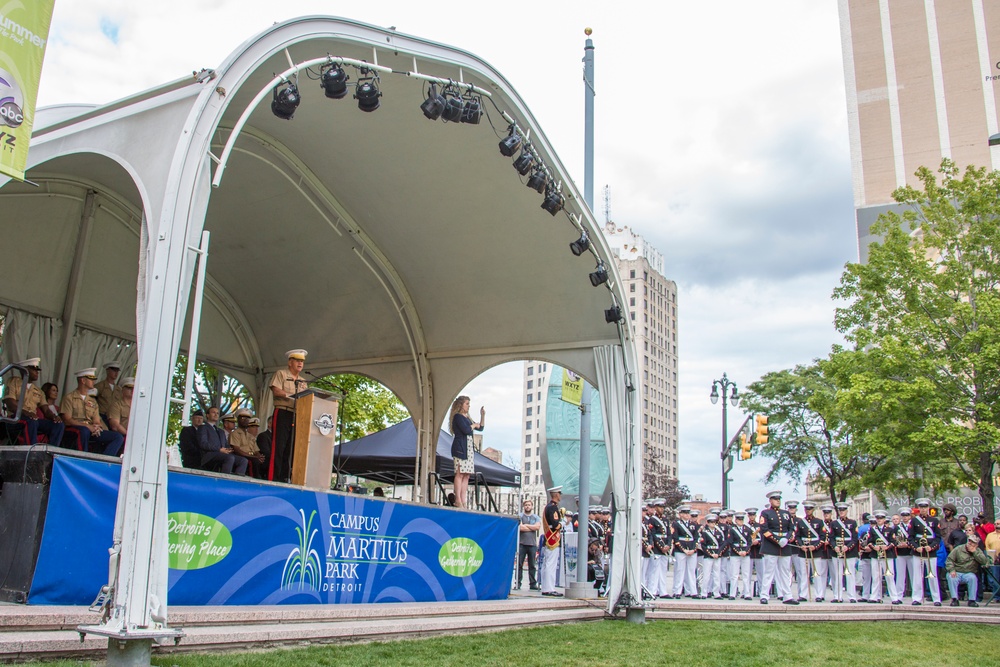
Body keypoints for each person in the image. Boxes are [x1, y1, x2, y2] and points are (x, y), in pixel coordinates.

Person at [59, 368, 124, 456]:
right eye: (91, 379)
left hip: (90, 429)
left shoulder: (92, 401)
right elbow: (67, 420)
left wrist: (97, 427)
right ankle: (83, 457)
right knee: (84, 431)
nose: (94, 381)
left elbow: (97, 420)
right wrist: (87, 426)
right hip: (74, 429)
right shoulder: (69, 398)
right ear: (83, 380)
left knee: (117, 437)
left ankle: (104, 459)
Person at [268, 349, 309, 482]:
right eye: (297, 360)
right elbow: (276, 390)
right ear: (290, 362)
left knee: (291, 448)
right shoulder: (281, 374)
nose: (300, 364)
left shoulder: (303, 380)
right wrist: (291, 395)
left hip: (297, 414)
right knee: (279, 447)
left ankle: (285, 477)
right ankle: (273, 478)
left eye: (302, 361)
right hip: (283, 411)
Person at [3, 358, 64, 447]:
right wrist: (27, 413)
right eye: (34, 369)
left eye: (37, 370)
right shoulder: (13, 382)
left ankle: (50, 453)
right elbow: (11, 404)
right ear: (25, 369)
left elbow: (46, 411)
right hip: (15, 419)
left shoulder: (38, 391)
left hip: (33, 420)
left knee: (58, 425)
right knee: (31, 421)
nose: (37, 372)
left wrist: (54, 416)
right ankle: (31, 453)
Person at [758, 490, 795, 605]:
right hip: (771, 546)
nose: (778, 501)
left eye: (779, 499)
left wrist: (787, 538)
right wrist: (778, 540)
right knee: (769, 572)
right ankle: (764, 595)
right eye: (775, 499)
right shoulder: (766, 513)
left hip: (784, 546)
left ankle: (787, 596)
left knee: (785, 572)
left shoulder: (786, 513)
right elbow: (764, 530)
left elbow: (791, 528)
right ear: (770, 500)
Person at [448, 395, 484, 509]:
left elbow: (481, 427)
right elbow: (466, 429)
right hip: (460, 447)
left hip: (468, 449)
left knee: (466, 475)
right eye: (467, 404)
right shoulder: (458, 417)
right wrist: (473, 425)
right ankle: (458, 499)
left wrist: (482, 415)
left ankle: (463, 499)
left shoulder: (467, 418)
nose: (469, 406)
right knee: (459, 473)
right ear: (461, 405)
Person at [908, 497, 941, 606]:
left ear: (928, 508)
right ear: (918, 508)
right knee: (917, 575)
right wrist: (916, 547)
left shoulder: (934, 520)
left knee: (933, 575)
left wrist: (931, 547)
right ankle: (916, 598)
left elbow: (938, 537)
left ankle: (936, 598)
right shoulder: (914, 520)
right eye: (921, 507)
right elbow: (910, 537)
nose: (923, 509)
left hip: (930, 551)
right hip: (918, 551)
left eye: (925, 507)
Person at [198, 406, 248, 475]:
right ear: (207, 415)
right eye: (213, 412)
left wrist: (229, 449)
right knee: (229, 458)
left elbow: (225, 445)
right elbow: (203, 444)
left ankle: (236, 482)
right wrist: (219, 449)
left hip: (222, 454)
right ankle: (225, 480)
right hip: (209, 456)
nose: (216, 414)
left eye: (217, 413)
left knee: (243, 460)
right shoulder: (203, 427)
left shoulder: (220, 431)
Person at [946, 534, 991, 607]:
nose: (970, 543)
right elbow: (949, 560)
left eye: (973, 542)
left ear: (976, 545)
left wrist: (975, 552)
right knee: (951, 577)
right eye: (969, 541)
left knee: (972, 578)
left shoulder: (978, 551)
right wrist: (951, 570)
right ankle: (954, 599)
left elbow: (984, 562)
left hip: (969, 573)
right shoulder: (958, 549)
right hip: (957, 571)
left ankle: (972, 600)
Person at [829, 502, 858, 603]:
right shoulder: (833, 524)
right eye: (840, 510)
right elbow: (831, 538)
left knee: (850, 574)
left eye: (843, 510)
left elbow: (855, 538)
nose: (842, 512)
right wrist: (835, 547)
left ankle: (852, 596)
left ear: (846, 511)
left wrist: (848, 546)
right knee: (837, 574)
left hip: (849, 551)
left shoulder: (852, 523)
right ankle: (838, 596)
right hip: (837, 551)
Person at [539, 486, 564, 597]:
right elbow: (555, 525)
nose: (560, 495)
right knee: (550, 564)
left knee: (547, 564)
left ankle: (546, 587)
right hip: (552, 540)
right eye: (559, 493)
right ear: (556, 494)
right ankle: (549, 588)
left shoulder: (548, 506)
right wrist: (562, 523)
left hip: (548, 539)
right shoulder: (553, 508)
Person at [671, 505, 699, 600]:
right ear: (681, 514)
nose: (687, 515)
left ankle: (692, 591)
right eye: (685, 513)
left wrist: (693, 549)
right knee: (680, 570)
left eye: (688, 513)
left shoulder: (693, 524)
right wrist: (684, 550)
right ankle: (677, 591)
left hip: (691, 550)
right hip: (681, 550)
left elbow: (696, 538)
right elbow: (675, 538)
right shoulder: (676, 524)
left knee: (691, 571)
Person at [228, 408, 266, 477]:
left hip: (252, 458)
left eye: (248, 418)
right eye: (243, 418)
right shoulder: (235, 434)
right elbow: (237, 450)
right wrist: (254, 457)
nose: (246, 420)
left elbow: (256, 450)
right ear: (238, 420)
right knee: (255, 462)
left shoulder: (250, 436)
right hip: (243, 457)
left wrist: (259, 456)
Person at [728, 511, 753, 600]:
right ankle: (732, 594)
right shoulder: (732, 529)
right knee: (734, 575)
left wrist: (745, 551)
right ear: (736, 520)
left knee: (746, 574)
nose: (740, 521)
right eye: (739, 519)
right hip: (735, 554)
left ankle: (747, 593)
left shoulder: (747, 529)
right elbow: (730, 542)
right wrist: (738, 551)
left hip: (745, 554)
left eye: (742, 519)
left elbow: (750, 542)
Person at [516, 499, 541, 590]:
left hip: (532, 544)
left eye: (529, 505)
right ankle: (518, 582)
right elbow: (520, 527)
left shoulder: (536, 517)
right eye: (526, 505)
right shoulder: (520, 516)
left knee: (532, 565)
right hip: (522, 544)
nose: (527, 506)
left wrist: (527, 526)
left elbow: (537, 527)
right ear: (524, 506)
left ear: (532, 506)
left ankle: (532, 583)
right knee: (519, 564)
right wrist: (532, 527)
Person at [106, 376, 134, 441]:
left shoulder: (138, 406)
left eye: (134, 388)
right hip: (124, 437)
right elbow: (115, 426)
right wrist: (129, 436)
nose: (132, 390)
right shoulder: (116, 405)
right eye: (129, 388)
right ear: (122, 389)